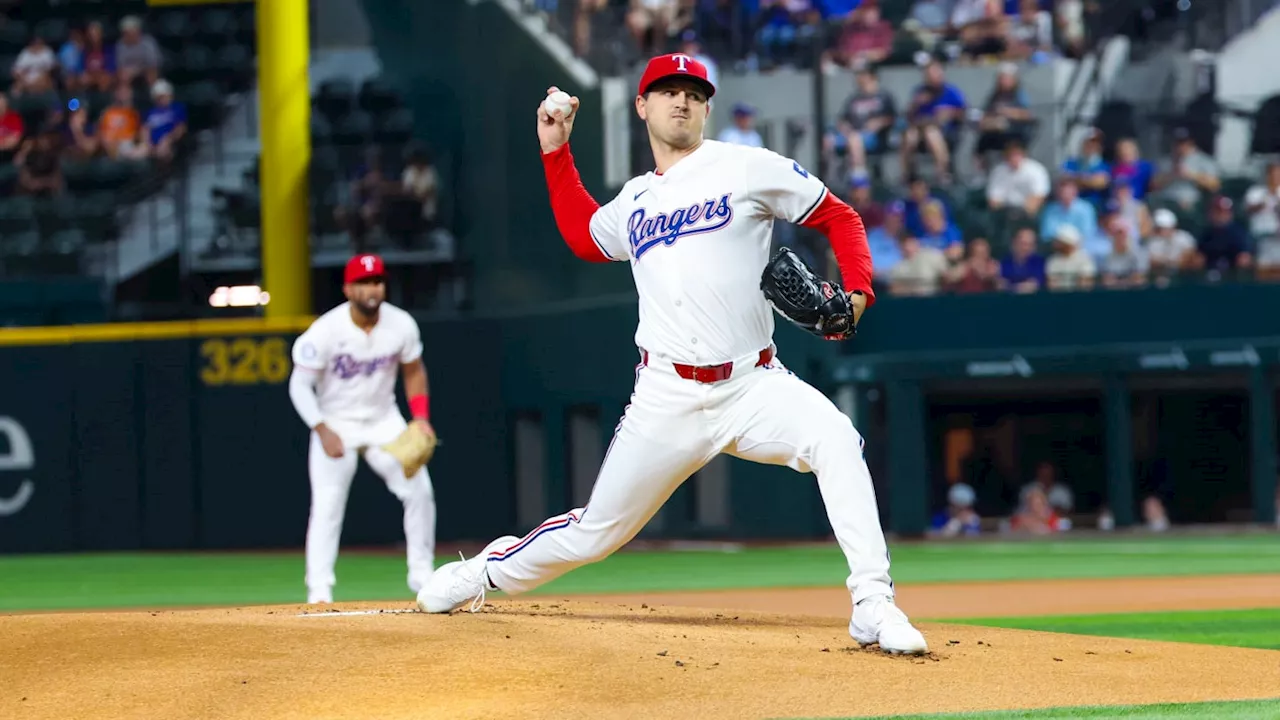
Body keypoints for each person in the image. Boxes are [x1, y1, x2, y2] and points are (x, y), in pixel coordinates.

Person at [417, 53, 928, 656]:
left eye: (693, 92)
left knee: (837, 439)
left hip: (753, 383)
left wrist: (860, 289)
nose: (680, 101)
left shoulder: (747, 168)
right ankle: (481, 573)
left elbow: (839, 217)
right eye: (666, 91)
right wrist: (556, 153)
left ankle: (873, 603)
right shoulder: (635, 200)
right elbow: (586, 237)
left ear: (707, 107)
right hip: (666, 395)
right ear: (642, 106)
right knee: (594, 535)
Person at [289, 254, 438, 604]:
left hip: (384, 420)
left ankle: (422, 576)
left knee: (419, 490)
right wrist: (321, 428)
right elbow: (299, 386)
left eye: (377, 281)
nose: (372, 289)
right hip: (335, 420)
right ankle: (320, 591)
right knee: (327, 504)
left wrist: (420, 416)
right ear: (347, 288)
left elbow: (413, 370)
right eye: (363, 282)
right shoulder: (326, 331)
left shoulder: (401, 324)